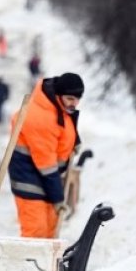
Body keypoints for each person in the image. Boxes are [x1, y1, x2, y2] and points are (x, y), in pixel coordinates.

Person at [8, 73, 83, 238]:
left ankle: (46, 265)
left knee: (50, 231)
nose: (74, 104)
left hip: (47, 182)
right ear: (58, 94)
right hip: (30, 181)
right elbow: (46, 165)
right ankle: (28, 264)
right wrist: (58, 199)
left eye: (77, 99)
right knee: (36, 233)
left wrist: (73, 142)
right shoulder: (40, 117)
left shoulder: (57, 107)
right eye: (70, 98)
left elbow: (63, 128)